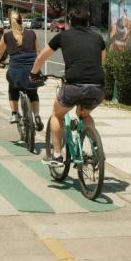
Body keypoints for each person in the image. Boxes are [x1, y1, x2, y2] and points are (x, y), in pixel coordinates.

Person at [29, 9, 107, 165]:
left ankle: (57, 155)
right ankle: (97, 150)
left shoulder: (62, 36)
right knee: (84, 114)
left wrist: (34, 73)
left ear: (69, 22)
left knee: (56, 115)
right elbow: (102, 61)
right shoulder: (98, 38)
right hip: (97, 87)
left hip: (74, 86)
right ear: (87, 22)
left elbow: (41, 57)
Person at [0, 11, 43, 129]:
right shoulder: (32, 34)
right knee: (33, 92)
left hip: (15, 71)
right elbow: (39, 53)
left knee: (12, 88)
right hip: (31, 70)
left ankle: (14, 114)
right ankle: (36, 116)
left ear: (11, 22)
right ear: (22, 21)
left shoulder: (7, 36)